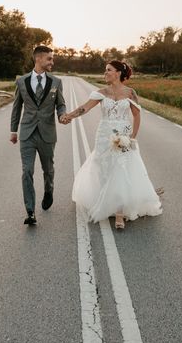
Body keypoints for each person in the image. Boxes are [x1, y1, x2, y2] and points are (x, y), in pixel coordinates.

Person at [65, 61, 162, 229]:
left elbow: (137, 116)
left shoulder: (131, 93)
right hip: (104, 135)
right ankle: (106, 200)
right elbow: (84, 108)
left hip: (123, 133)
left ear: (118, 73)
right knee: (104, 168)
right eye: (105, 70)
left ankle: (119, 213)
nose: (105, 73)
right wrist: (69, 116)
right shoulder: (101, 93)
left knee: (121, 169)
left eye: (108, 70)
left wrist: (132, 137)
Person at [10, 45, 70, 226]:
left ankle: (48, 190)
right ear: (38, 59)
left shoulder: (56, 82)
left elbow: (61, 104)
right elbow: (16, 107)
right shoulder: (21, 82)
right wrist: (13, 130)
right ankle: (30, 211)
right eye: (49, 59)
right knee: (27, 171)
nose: (52, 62)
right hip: (27, 133)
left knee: (48, 170)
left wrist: (61, 114)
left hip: (47, 133)